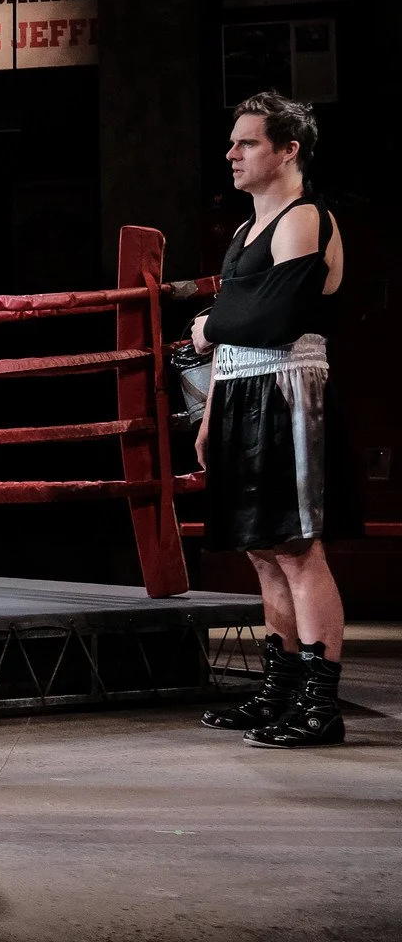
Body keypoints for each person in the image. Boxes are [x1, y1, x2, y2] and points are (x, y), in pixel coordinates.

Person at [192, 92, 353, 749]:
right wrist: (208, 414)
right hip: (238, 391)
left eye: (248, 142)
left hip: (290, 391)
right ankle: (279, 691)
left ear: (287, 150)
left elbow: (270, 319)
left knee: (296, 547)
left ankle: (322, 703)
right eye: (233, 142)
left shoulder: (304, 217)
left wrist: (206, 325)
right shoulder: (243, 233)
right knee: (262, 550)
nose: (232, 153)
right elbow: (236, 331)